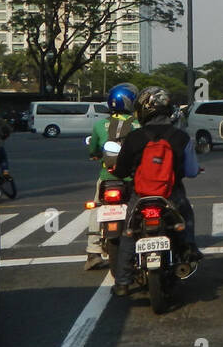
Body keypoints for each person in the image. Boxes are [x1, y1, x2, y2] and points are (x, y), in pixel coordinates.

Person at [108, 86, 202, 296]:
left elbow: (121, 171)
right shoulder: (181, 137)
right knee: (185, 216)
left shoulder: (134, 138)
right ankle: (189, 249)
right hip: (171, 194)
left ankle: (122, 282)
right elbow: (192, 170)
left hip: (141, 195)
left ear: (143, 110)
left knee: (129, 232)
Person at [84, 82, 139, 271]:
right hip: (130, 178)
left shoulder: (99, 124)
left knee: (96, 208)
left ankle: (93, 251)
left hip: (107, 177)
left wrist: (95, 154)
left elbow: (93, 149)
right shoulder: (137, 124)